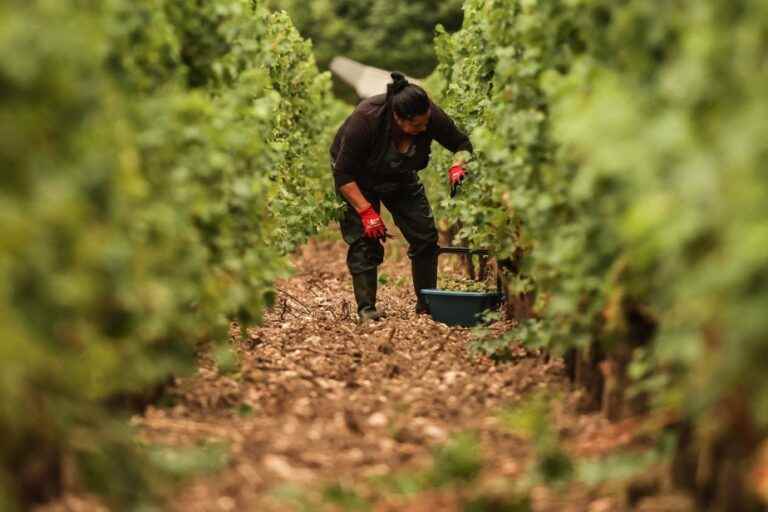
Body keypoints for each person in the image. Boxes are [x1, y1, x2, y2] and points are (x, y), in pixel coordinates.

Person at [330, 72, 473, 323]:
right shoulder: (366, 119)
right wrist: (366, 212)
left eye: (426, 123)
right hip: (358, 180)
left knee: (425, 236)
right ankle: (367, 310)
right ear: (398, 118)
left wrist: (458, 165)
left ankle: (426, 304)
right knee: (364, 240)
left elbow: (461, 143)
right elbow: (343, 174)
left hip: (401, 175)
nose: (424, 129)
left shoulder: (429, 116)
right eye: (417, 126)